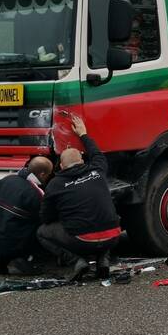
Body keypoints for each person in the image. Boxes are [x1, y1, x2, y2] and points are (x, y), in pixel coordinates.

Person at [37, 115, 121, 280]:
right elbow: (97, 154)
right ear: (82, 160)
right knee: (108, 218)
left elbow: (45, 217)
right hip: (114, 237)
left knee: (41, 232)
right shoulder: (97, 170)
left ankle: (76, 261)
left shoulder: (55, 184)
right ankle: (103, 259)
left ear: (61, 166)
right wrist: (83, 134)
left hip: (82, 240)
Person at [0, 156, 54, 275]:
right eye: (48, 175)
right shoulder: (35, 192)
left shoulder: (6, 180)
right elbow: (46, 217)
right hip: (17, 242)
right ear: (43, 174)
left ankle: (3, 258)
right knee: (46, 228)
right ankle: (24, 259)